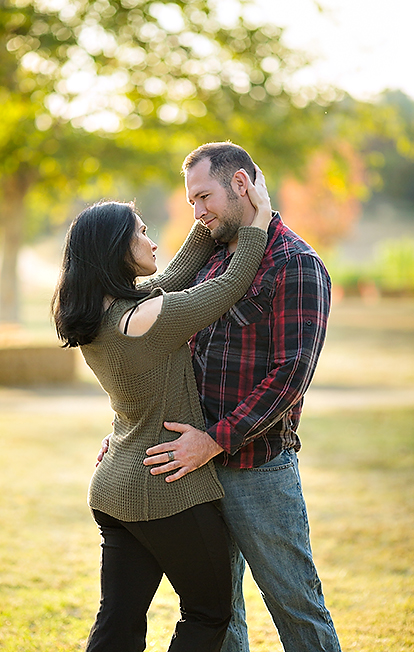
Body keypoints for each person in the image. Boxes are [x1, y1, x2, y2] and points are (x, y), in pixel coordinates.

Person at [51, 168, 273, 650]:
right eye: (143, 233)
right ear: (117, 250)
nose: (153, 244)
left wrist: (207, 219)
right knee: (210, 612)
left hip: (114, 487)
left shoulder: (104, 315)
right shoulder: (151, 317)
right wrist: (260, 216)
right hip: (165, 491)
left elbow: (175, 275)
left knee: (118, 623)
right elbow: (232, 283)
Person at [135, 142, 340, 651]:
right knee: (219, 614)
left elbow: (291, 376)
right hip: (197, 470)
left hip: (258, 473)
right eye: (191, 203)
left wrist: (214, 440)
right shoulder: (212, 259)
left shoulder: (296, 263)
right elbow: (167, 342)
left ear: (242, 185)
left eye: (204, 197)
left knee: (297, 607)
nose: (198, 212)